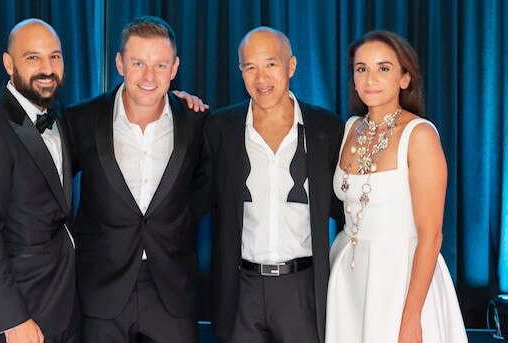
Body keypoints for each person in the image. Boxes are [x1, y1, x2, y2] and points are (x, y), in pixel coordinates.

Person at [63, 16, 210, 342]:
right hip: (101, 287)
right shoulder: (81, 119)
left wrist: (181, 217)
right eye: (138, 63)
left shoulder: (195, 121)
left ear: (174, 69)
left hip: (172, 287)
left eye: (160, 65)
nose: (148, 76)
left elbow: (207, 182)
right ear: (120, 63)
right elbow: (52, 187)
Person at [325, 30, 467, 343]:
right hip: (349, 278)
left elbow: (432, 235)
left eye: (383, 68)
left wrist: (412, 316)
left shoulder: (419, 135)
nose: (370, 78)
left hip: (401, 281)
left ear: (405, 78)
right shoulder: (351, 127)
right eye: (361, 69)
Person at [206, 27, 344, 343]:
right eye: (250, 67)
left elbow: (348, 208)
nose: (261, 77)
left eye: (271, 64)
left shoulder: (327, 129)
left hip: (302, 289)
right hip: (241, 290)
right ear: (240, 71)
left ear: (291, 66)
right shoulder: (220, 127)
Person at [0, 19, 78, 343]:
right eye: (33, 57)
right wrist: (13, 320)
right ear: (8, 64)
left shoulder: (60, 116)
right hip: (22, 317)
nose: (47, 68)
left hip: (63, 306)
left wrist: (170, 100)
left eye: (54, 56)